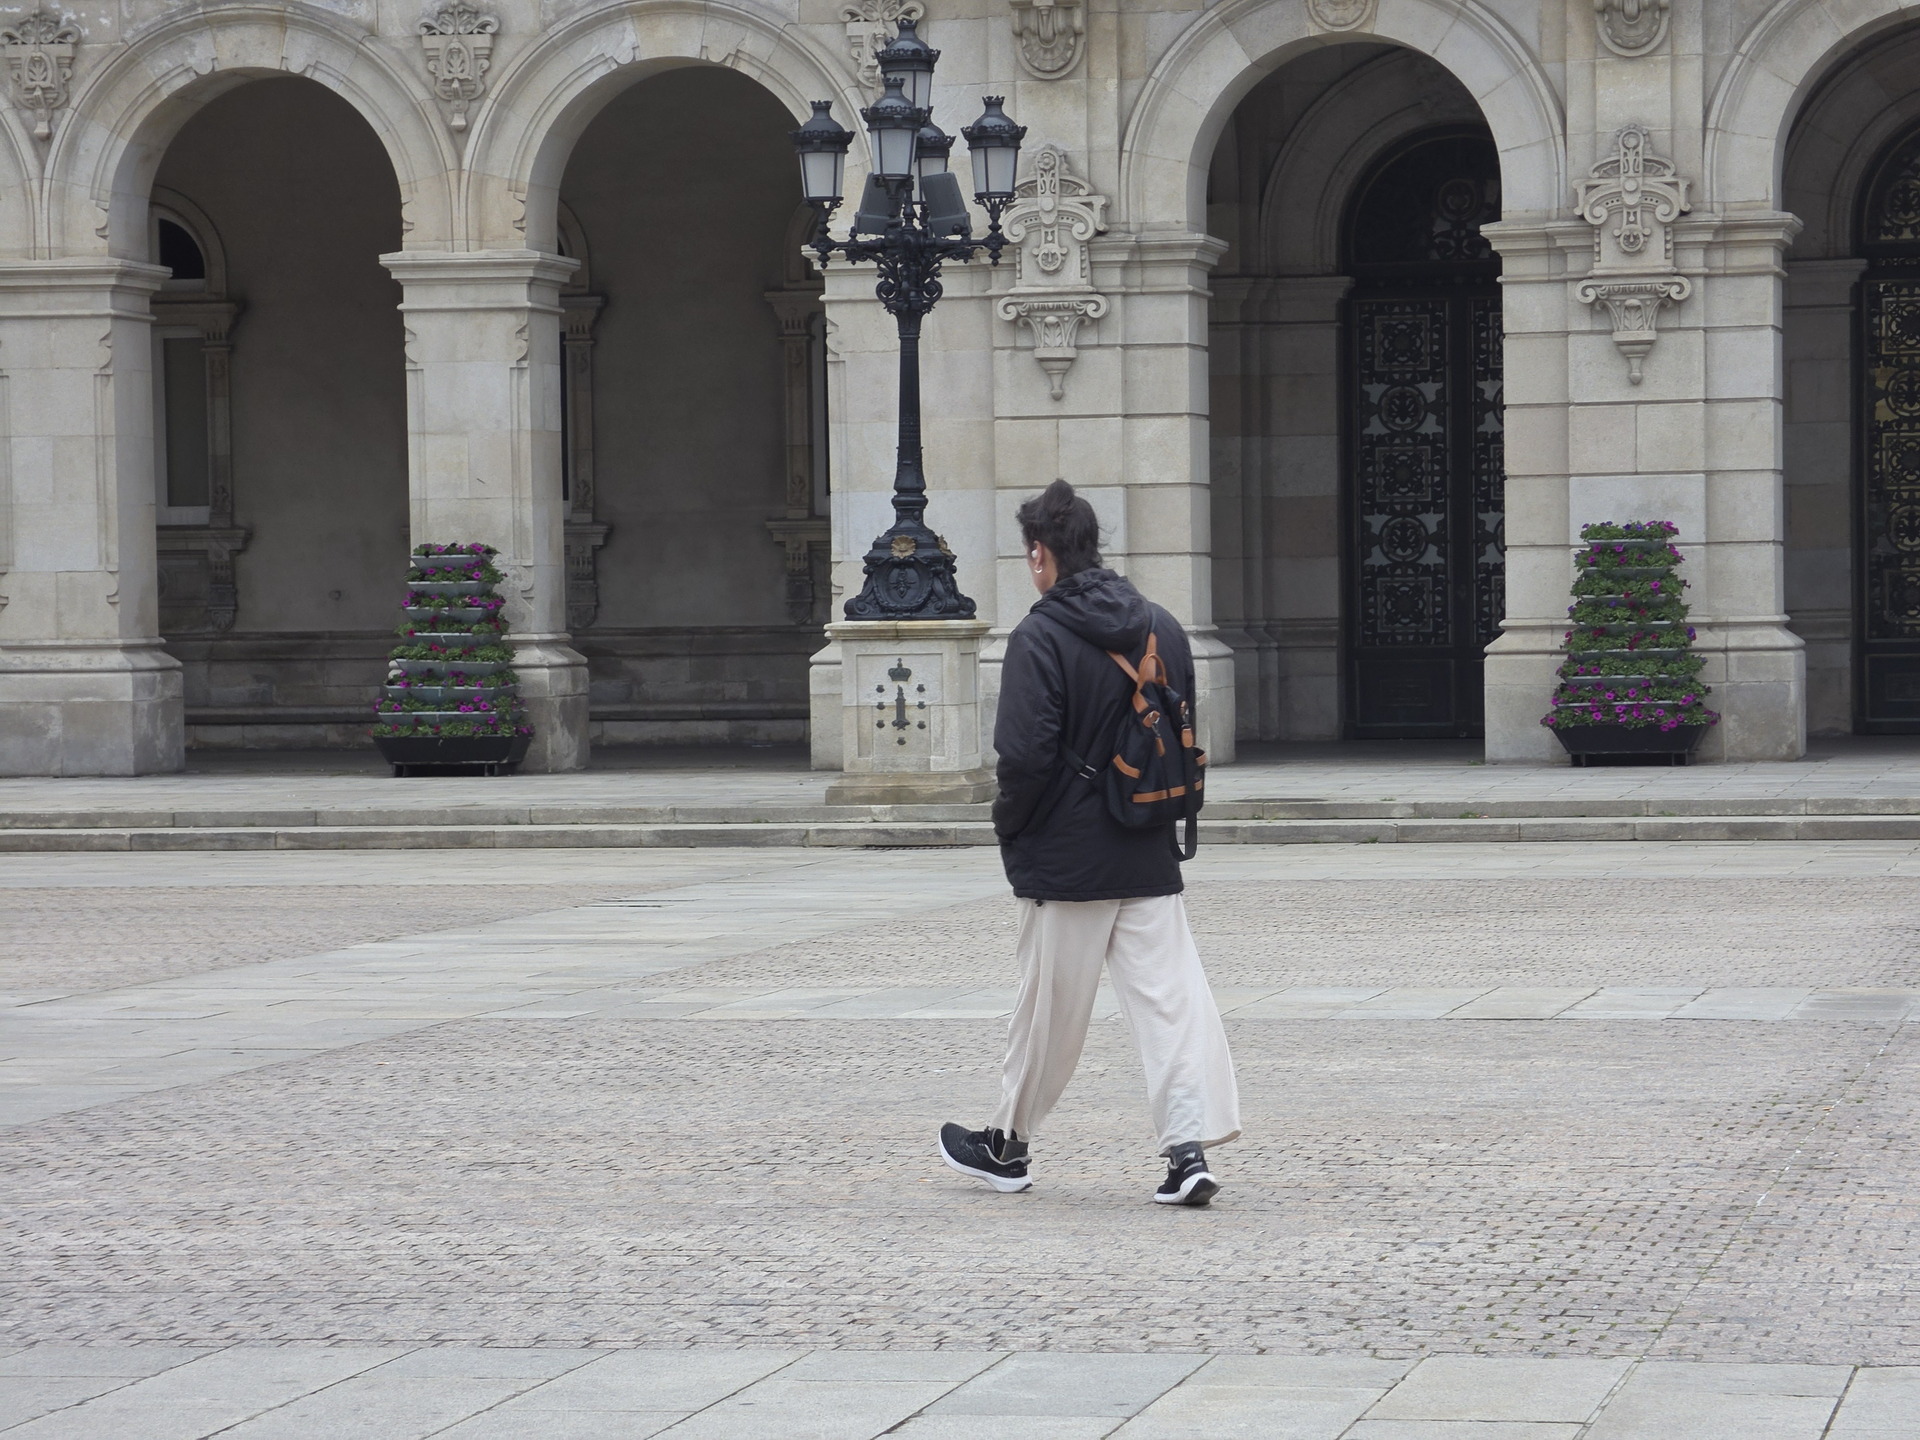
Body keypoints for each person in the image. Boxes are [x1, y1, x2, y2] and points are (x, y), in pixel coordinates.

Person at [939, 480, 1241, 1206]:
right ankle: (1187, 1149)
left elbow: (1024, 756)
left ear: (1040, 555)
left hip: (1067, 858)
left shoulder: (1038, 636)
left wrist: (1012, 827)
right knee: (1170, 1005)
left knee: (1047, 1012)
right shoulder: (1162, 627)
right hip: (1147, 842)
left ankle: (1008, 1148)